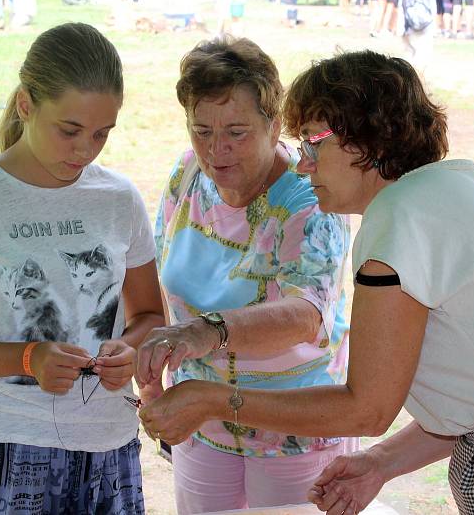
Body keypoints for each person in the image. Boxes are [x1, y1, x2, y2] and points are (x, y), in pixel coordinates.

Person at [139, 50, 474, 515]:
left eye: (315, 143)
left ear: (368, 138)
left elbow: (367, 409)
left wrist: (214, 398)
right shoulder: (448, 190)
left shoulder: (397, 224)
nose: (304, 163)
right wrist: (380, 464)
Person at [0, 22, 164, 514]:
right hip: (7, 445)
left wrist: (128, 351)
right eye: (69, 130)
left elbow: (150, 315)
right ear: (26, 104)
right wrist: (27, 359)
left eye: (102, 134)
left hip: (109, 445)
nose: (86, 150)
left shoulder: (119, 198)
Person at [134, 36, 354, 514]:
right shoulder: (188, 174)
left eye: (236, 132)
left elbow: (306, 314)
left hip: (295, 430)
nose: (217, 150)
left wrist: (202, 333)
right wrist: (150, 370)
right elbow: (158, 270)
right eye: (201, 130)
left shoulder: (308, 196)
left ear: (274, 127)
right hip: (200, 420)